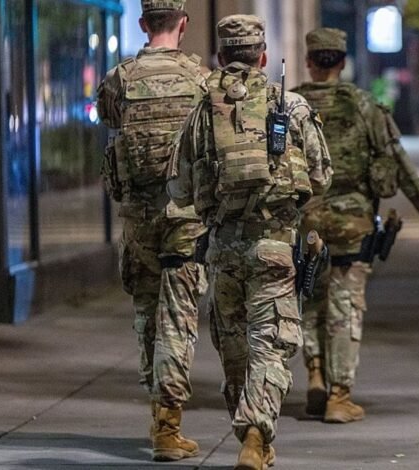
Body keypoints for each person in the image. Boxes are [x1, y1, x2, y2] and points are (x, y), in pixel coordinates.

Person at [168, 15, 332, 470]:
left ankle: (250, 433)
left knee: (235, 347)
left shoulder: (201, 110)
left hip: (222, 249)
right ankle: (257, 436)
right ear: (262, 57)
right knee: (270, 343)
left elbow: (179, 188)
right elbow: (320, 176)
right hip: (275, 247)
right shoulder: (291, 105)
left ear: (222, 57)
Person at [293, 27, 419, 424]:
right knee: (345, 305)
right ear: (341, 62)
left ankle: (315, 373)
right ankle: (339, 396)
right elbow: (396, 157)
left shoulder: (289, 105)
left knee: (309, 297)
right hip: (352, 221)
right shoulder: (364, 105)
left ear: (310, 61)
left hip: (304, 220)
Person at [96, 0, 207, 462]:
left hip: (138, 216)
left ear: (143, 25)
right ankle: (168, 421)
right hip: (185, 215)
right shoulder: (201, 81)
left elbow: (109, 120)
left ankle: (156, 408)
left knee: (146, 312)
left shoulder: (120, 78)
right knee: (179, 315)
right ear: (183, 24)